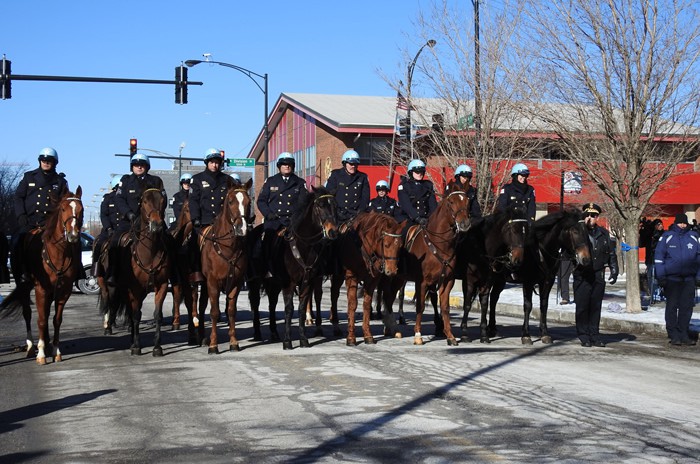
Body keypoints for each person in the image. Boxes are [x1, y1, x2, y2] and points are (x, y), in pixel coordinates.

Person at [107, 153, 167, 285]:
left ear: (147, 167)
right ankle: (112, 272)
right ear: (132, 167)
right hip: (130, 220)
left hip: (151, 219)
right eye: (136, 165)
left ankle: (173, 274)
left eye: (142, 165)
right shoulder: (126, 180)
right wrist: (128, 213)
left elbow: (163, 199)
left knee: (169, 240)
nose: (139, 167)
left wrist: (158, 214)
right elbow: (119, 199)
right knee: (115, 241)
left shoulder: (156, 181)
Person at [12, 147, 69, 283]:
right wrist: (21, 215)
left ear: (55, 162)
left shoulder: (60, 181)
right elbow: (18, 197)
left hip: (49, 222)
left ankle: (75, 272)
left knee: (71, 244)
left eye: (49, 160)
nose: (46, 162)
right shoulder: (29, 177)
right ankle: (22, 272)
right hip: (29, 221)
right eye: (43, 160)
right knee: (17, 241)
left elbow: (64, 203)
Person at [188, 148, 237, 283]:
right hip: (205, 221)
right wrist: (195, 219)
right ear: (206, 163)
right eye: (212, 162)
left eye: (217, 162)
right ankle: (196, 270)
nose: (214, 165)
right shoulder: (197, 179)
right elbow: (193, 201)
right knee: (192, 242)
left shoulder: (228, 180)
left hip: (224, 222)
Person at [573, 203, 618, 347]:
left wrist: (614, 267)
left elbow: (611, 252)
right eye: (587, 215)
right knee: (582, 306)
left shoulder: (603, 233)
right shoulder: (578, 233)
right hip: (583, 274)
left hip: (598, 274)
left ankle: (594, 334)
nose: (590, 218)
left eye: (593, 215)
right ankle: (583, 335)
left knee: (595, 306)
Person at [256, 152, 309, 275]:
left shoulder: (300, 182)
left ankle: (307, 269)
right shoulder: (270, 181)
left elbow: (304, 203)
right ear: (279, 166)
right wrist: (268, 214)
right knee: (266, 241)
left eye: (289, 164)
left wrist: (297, 218)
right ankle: (266, 269)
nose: (287, 166)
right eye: (284, 164)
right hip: (275, 221)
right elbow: (261, 201)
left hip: (293, 222)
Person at [654, 213, 700, 346]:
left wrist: (698, 276)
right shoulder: (667, 236)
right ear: (675, 223)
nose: (683, 225)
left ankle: (684, 333)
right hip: (672, 279)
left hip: (688, 279)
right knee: (672, 307)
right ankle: (673, 334)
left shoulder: (693, 237)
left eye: (685, 223)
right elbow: (659, 257)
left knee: (686, 307)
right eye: (680, 223)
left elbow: (699, 258)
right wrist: (661, 276)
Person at [324, 149, 369, 223]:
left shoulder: (362, 177)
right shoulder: (336, 175)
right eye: (351, 164)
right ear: (344, 164)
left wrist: (360, 213)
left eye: (355, 164)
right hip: (338, 215)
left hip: (356, 216)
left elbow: (365, 198)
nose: (353, 166)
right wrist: (335, 211)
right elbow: (329, 195)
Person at [92, 175, 123, 278]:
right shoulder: (107, 198)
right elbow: (104, 215)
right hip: (109, 229)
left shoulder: (126, 198)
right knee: (98, 244)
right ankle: (96, 269)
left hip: (123, 229)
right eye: (117, 187)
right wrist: (108, 228)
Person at [395, 159, 437, 227]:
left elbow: (433, 204)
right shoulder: (404, 186)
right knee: (404, 234)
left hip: (426, 218)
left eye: (422, 172)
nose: (420, 174)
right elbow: (406, 205)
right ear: (411, 173)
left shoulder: (428, 185)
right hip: (409, 218)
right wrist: (417, 218)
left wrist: (434, 218)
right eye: (417, 172)